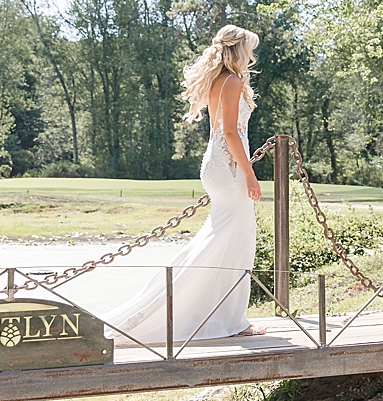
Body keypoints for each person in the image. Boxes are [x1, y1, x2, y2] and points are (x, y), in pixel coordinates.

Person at [106, 25, 267, 343]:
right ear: (238, 50)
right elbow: (232, 133)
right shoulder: (232, 81)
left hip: (216, 167)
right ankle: (230, 320)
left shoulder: (218, 81)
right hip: (230, 168)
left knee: (220, 240)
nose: (251, 55)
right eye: (248, 48)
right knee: (238, 242)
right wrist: (249, 173)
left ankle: (212, 313)